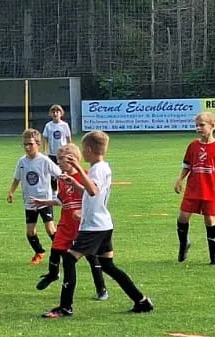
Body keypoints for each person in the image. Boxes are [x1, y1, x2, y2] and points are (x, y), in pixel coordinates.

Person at [43, 130, 154, 318]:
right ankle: (141, 301)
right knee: (108, 265)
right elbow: (90, 191)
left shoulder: (96, 169)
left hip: (93, 226)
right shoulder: (104, 167)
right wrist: (75, 183)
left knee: (69, 259)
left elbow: (93, 191)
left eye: (82, 150)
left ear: (88, 150)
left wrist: (78, 169)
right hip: (104, 224)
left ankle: (65, 307)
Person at [31, 143, 108, 301]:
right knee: (55, 249)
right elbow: (62, 200)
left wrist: (81, 213)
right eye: (58, 159)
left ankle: (101, 289)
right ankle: (53, 274)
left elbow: (92, 198)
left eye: (61, 159)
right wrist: (44, 202)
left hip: (81, 225)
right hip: (66, 223)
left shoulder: (85, 176)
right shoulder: (62, 179)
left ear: (73, 159)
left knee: (91, 255)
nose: (58, 162)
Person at [173, 111, 215, 266]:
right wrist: (179, 179)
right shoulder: (193, 146)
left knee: (210, 220)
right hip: (193, 189)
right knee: (183, 217)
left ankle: (214, 256)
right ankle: (183, 244)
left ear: (212, 126)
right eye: (196, 125)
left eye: (202, 125)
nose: (198, 128)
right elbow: (187, 165)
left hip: (210, 190)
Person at [7, 129, 60, 265]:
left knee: (50, 229)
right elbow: (17, 178)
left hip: (44, 200)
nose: (27, 147)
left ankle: (62, 252)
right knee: (30, 232)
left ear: (38, 144)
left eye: (30, 144)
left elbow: (59, 174)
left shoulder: (44, 160)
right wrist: (11, 192)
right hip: (29, 201)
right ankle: (39, 252)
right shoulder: (22, 161)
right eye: (25, 144)